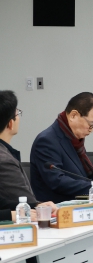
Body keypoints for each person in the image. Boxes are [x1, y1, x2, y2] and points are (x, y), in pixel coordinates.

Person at [0, 91, 57, 222]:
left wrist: (35, 206)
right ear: (10, 123)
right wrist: (11, 215)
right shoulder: (4, 160)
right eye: (17, 114)